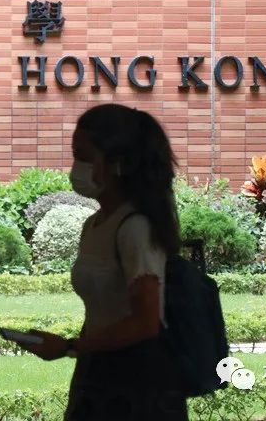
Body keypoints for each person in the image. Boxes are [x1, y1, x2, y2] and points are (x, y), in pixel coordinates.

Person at [19, 103, 189, 421]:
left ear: (117, 163)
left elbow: (146, 322)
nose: (76, 167)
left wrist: (70, 347)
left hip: (137, 385)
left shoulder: (135, 228)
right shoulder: (94, 225)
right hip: (97, 371)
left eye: (84, 156)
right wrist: (79, 349)